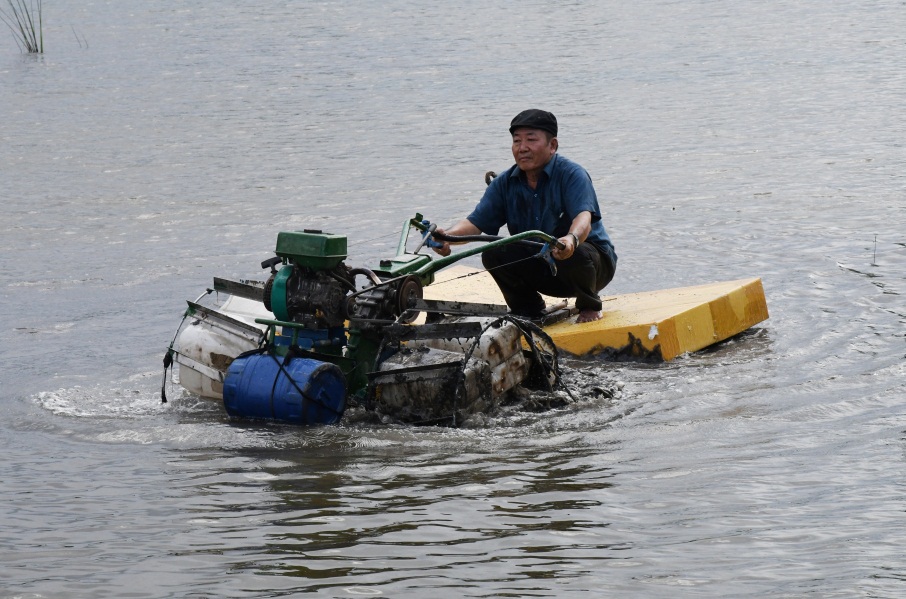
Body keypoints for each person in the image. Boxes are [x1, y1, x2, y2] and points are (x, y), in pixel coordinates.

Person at [433, 109, 617, 323]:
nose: (522, 148)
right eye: (517, 141)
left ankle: (590, 306)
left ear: (552, 146)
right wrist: (447, 237)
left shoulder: (572, 174)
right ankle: (529, 310)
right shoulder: (504, 183)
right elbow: (475, 223)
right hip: (543, 266)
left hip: (591, 268)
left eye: (531, 140)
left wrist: (571, 240)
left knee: (577, 251)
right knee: (493, 252)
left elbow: (583, 219)